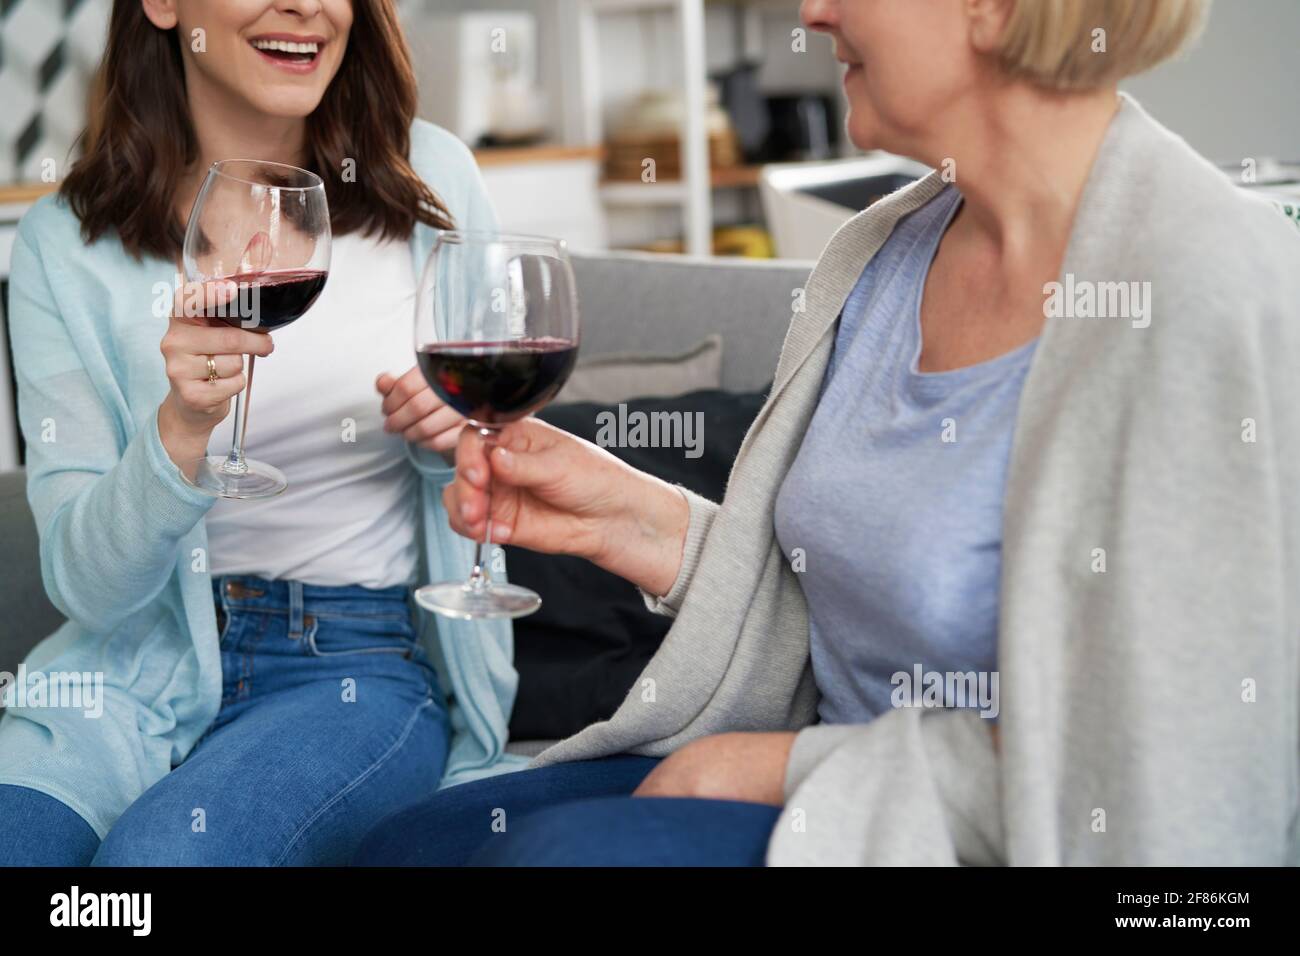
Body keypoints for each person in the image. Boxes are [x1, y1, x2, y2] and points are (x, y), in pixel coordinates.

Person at [356, 0, 1300, 866]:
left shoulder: (1205, 285)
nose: (812, 10)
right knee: (394, 851)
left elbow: (1173, 777)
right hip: (829, 783)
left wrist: (777, 769)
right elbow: (837, 598)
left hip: (954, 837)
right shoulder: (883, 251)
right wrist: (633, 522)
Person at [0, 0, 525, 867]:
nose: (307, 5)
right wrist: (179, 432)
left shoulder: (432, 178)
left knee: (159, 866)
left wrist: (455, 445)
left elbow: (503, 460)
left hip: (349, 663)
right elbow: (86, 587)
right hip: (125, 673)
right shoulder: (68, 242)